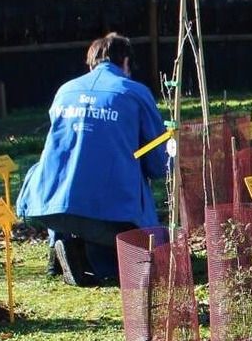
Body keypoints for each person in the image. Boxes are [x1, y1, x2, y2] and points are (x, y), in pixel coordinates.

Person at [15, 33, 170, 286]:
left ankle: (62, 245)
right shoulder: (134, 93)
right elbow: (157, 163)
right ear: (126, 62)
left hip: (48, 206)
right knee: (150, 242)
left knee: (70, 182)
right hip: (113, 215)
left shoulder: (65, 91)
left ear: (91, 63)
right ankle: (94, 260)